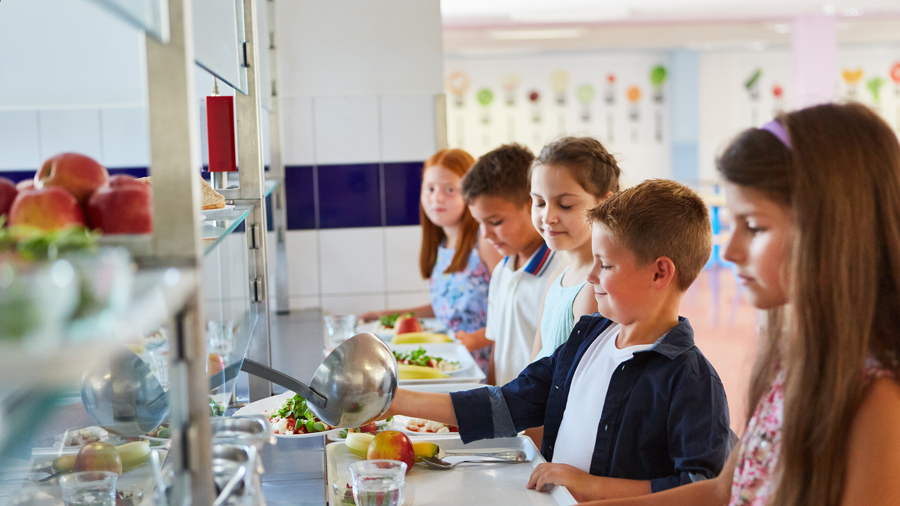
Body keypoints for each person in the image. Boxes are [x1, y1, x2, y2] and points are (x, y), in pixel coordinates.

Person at [585, 103, 900, 506]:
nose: (730, 251)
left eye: (754, 227)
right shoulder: (793, 358)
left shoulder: (879, 398)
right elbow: (724, 491)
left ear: (833, 230)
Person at [386, 179, 733, 502]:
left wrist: (589, 485)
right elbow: (508, 403)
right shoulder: (587, 338)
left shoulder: (692, 380)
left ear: (660, 272)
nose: (591, 275)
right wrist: (393, 400)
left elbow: (703, 490)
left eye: (605, 265)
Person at [360, 149, 502, 373]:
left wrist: (475, 342)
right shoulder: (443, 244)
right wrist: (388, 317)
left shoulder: (485, 241)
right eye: (430, 189)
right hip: (453, 365)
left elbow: (512, 315)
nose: (437, 198)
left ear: (471, 192)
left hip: (482, 370)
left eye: (450, 189)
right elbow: (447, 310)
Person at [461, 143, 561, 385]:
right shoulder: (501, 271)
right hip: (506, 406)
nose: (486, 234)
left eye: (495, 222)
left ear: (533, 204)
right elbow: (498, 348)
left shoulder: (560, 273)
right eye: (479, 223)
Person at [529, 137, 620, 363]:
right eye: (539, 203)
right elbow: (534, 365)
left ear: (604, 204)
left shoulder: (596, 289)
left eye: (565, 205)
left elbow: (578, 375)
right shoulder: (556, 277)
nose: (548, 217)